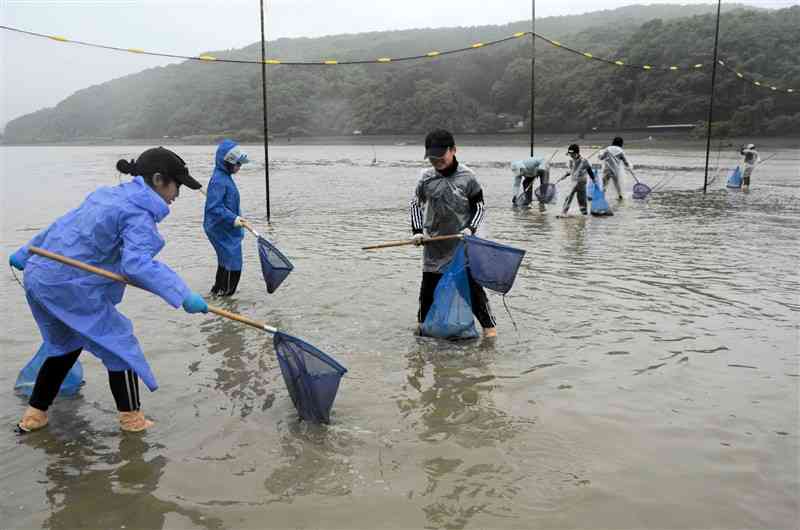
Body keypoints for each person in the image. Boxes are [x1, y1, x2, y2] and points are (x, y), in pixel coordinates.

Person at [8, 147, 209, 433]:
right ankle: (133, 422)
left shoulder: (107, 194)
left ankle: (34, 416)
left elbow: (64, 225)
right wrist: (182, 293)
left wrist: (26, 252)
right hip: (67, 284)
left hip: (40, 275)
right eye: (177, 184)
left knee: (65, 345)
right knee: (120, 345)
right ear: (158, 179)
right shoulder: (137, 213)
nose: (178, 193)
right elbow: (137, 265)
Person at [409, 129, 497, 338]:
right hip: (434, 245)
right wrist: (417, 232)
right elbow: (415, 203)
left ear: (454, 150)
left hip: (462, 245)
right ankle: (421, 335)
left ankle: (490, 333)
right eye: (432, 158)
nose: (436, 161)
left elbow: (480, 207)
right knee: (428, 292)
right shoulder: (426, 178)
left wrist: (470, 229)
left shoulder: (468, 177)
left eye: (441, 156)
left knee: (473, 292)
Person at [204, 139, 251, 296]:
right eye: (237, 163)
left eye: (240, 164)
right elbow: (214, 207)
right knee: (233, 262)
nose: (239, 167)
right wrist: (234, 219)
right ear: (227, 161)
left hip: (225, 228)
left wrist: (235, 218)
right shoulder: (219, 180)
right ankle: (227, 299)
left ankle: (217, 293)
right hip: (221, 229)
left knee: (225, 261)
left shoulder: (224, 177)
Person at [557, 143, 598, 216]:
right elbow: (572, 170)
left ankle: (584, 214)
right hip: (573, 182)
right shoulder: (571, 161)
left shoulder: (584, 161)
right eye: (570, 154)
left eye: (572, 154)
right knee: (568, 197)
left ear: (576, 153)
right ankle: (563, 213)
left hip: (581, 182)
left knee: (582, 200)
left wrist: (594, 180)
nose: (571, 155)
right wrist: (566, 175)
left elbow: (589, 170)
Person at [598, 136, 633, 200]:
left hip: (607, 169)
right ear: (621, 143)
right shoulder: (621, 151)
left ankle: (602, 197)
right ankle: (620, 196)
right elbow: (625, 161)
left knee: (604, 185)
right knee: (617, 184)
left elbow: (601, 158)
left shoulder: (608, 149)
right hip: (615, 170)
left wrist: (600, 153)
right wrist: (629, 167)